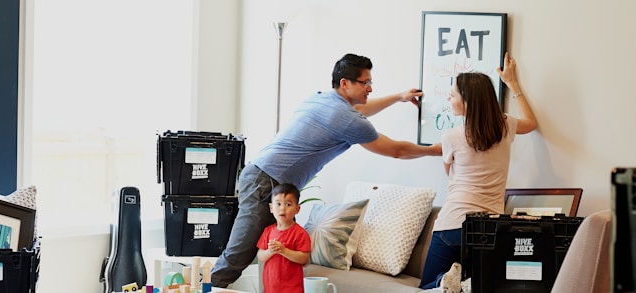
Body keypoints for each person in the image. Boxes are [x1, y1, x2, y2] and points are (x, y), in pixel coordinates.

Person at [211, 53, 443, 287]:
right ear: (345, 83)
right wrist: (436, 150)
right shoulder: (347, 119)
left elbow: (361, 110)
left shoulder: (321, 98)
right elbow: (396, 150)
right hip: (267, 182)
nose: (370, 88)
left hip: (260, 174)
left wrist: (398, 97)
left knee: (242, 252)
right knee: (239, 254)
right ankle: (208, 288)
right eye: (366, 83)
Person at [418, 52, 538, 292]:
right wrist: (512, 83)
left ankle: (444, 282)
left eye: (453, 95)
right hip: (489, 228)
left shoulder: (452, 137)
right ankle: (462, 285)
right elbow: (531, 122)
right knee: (481, 287)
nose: (449, 99)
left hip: (452, 222)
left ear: (467, 101)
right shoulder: (505, 126)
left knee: (425, 289)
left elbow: (449, 174)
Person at [256, 183, 311, 293]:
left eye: (288, 204)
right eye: (278, 204)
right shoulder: (268, 231)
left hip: (292, 288)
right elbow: (260, 256)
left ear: (297, 209)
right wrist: (270, 251)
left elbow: (304, 258)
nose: (282, 208)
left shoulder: (300, 233)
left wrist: (284, 251)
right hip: (270, 286)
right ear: (271, 208)